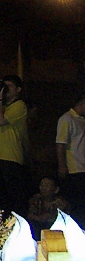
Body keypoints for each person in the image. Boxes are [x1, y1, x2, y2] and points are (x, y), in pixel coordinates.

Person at [0, 74, 29, 214]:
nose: (6, 89)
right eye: (4, 86)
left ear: (18, 89)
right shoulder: (1, 106)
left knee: (12, 198)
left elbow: (1, 122)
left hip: (11, 158)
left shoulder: (19, 106)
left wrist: (0, 99)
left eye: (9, 86)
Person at [55, 93, 85, 224]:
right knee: (77, 204)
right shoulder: (67, 119)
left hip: (82, 167)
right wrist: (62, 166)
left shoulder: (81, 119)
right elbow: (60, 143)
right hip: (74, 169)